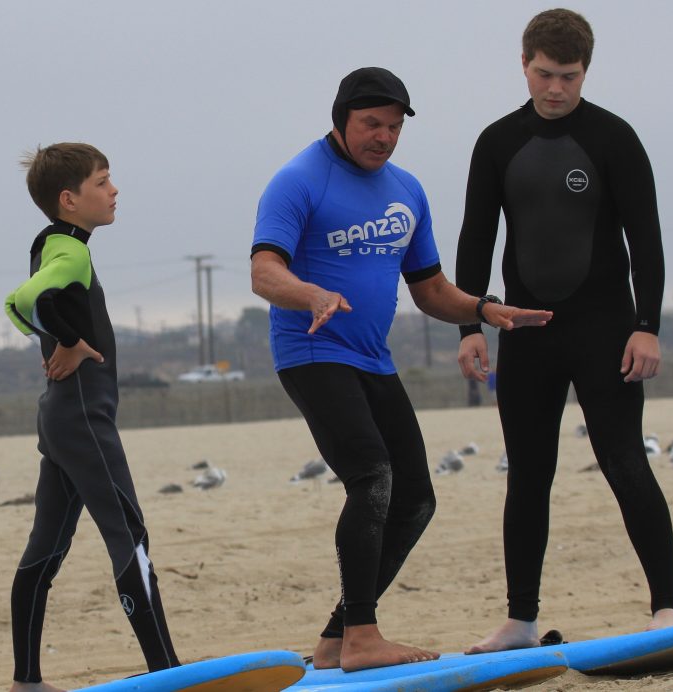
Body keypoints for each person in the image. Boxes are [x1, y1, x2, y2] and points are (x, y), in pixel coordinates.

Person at [250, 67, 552, 672]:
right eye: (371, 124)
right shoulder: (298, 180)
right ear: (340, 119)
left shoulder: (406, 191)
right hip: (312, 351)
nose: (383, 137)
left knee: (415, 496)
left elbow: (431, 289)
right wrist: (310, 294)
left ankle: (338, 635)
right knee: (373, 476)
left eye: (392, 127)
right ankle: (364, 634)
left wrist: (486, 310)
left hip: (372, 358)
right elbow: (264, 271)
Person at [455, 8, 673, 653]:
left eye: (570, 77)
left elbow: (647, 240)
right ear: (524, 64)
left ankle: (666, 606)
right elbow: (477, 236)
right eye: (545, 74)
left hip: (605, 328)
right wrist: (471, 322)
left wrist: (647, 326)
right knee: (528, 473)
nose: (556, 88)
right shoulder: (497, 141)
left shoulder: (614, 138)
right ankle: (521, 619)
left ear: (587, 72)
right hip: (525, 331)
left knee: (623, 459)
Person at [4, 143, 180, 691]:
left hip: (62, 417)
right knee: (129, 535)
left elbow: (27, 305)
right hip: (82, 416)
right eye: (102, 182)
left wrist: (60, 336)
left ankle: (27, 682)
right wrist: (74, 343)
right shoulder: (70, 252)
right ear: (69, 199)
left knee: (47, 548)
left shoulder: (55, 243)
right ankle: (168, 675)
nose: (114, 190)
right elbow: (24, 299)